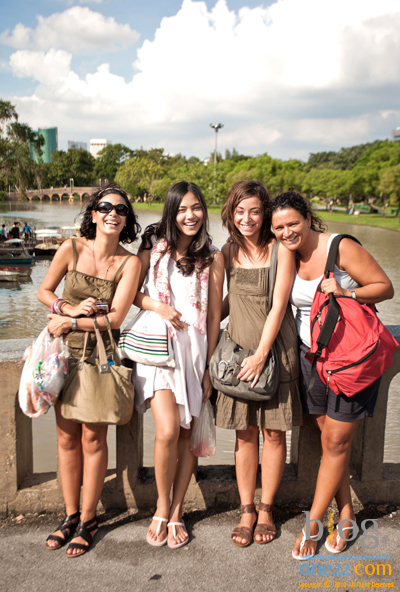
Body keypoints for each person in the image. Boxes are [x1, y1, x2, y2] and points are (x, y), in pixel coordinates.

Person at [271, 189, 394, 560]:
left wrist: (345, 292)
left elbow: (385, 287)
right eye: (278, 227)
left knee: (337, 443)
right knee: (331, 443)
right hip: (312, 360)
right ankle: (347, 514)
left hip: (350, 361)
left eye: (293, 223)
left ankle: (313, 524)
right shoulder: (288, 254)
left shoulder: (339, 247)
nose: (286, 232)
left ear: (308, 218)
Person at [37, 182, 141, 557]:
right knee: (66, 439)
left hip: (100, 358)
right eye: (105, 207)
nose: (113, 214)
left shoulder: (130, 263)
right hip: (63, 354)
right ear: (94, 214)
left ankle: (88, 519)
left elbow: (115, 319)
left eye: (121, 209)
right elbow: (44, 291)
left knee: (93, 440)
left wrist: (70, 322)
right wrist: (66, 309)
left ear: (127, 220)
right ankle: (69, 515)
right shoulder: (71, 248)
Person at [132, 180, 224, 549]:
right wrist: (158, 306)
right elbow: (129, 293)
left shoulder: (213, 257)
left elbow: (214, 315)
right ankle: (160, 505)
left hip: (194, 352)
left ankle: (176, 511)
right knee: (168, 430)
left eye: (196, 207)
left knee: (187, 436)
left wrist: (208, 369)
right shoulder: (153, 247)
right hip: (158, 349)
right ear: (171, 211)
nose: (190, 215)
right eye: (183, 209)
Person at [214, 180, 302, 547]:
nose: (247, 218)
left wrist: (262, 354)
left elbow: (279, 304)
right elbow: (227, 301)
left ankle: (267, 509)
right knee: (245, 433)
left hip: (274, 351)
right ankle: (246, 509)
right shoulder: (226, 252)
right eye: (239, 211)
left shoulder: (281, 249)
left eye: (254, 211)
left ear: (265, 213)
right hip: (238, 353)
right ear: (230, 214)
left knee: (274, 433)